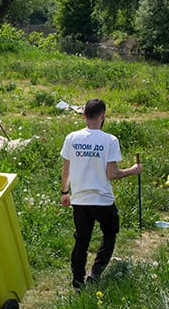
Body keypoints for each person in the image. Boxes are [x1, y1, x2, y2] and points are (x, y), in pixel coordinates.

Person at [59, 99, 141, 291]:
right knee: (110, 233)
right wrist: (133, 170)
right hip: (102, 199)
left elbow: (66, 171)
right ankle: (95, 274)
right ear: (103, 116)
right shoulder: (110, 140)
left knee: (82, 240)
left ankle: (77, 282)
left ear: (84, 115)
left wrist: (65, 192)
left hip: (79, 199)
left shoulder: (72, 138)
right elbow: (112, 174)